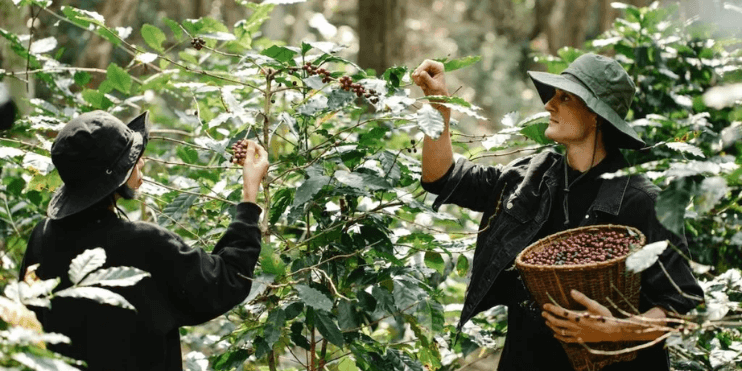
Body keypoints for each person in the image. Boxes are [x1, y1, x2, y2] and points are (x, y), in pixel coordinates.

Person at [411, 53, 704, 370]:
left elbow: (679, 305)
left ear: (596, 115)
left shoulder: (641, 200)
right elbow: (441, 177)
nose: (550, 104)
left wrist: (615, 330)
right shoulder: (528, 180)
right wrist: (438, 107)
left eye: (565, 97)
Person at [18, 110, 269, 370]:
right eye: (134, 157)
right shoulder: (146, 244)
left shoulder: (42, 236)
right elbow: (228, 279)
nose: (141, 161)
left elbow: (30, 324)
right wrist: (250, 195)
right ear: (118, 175)